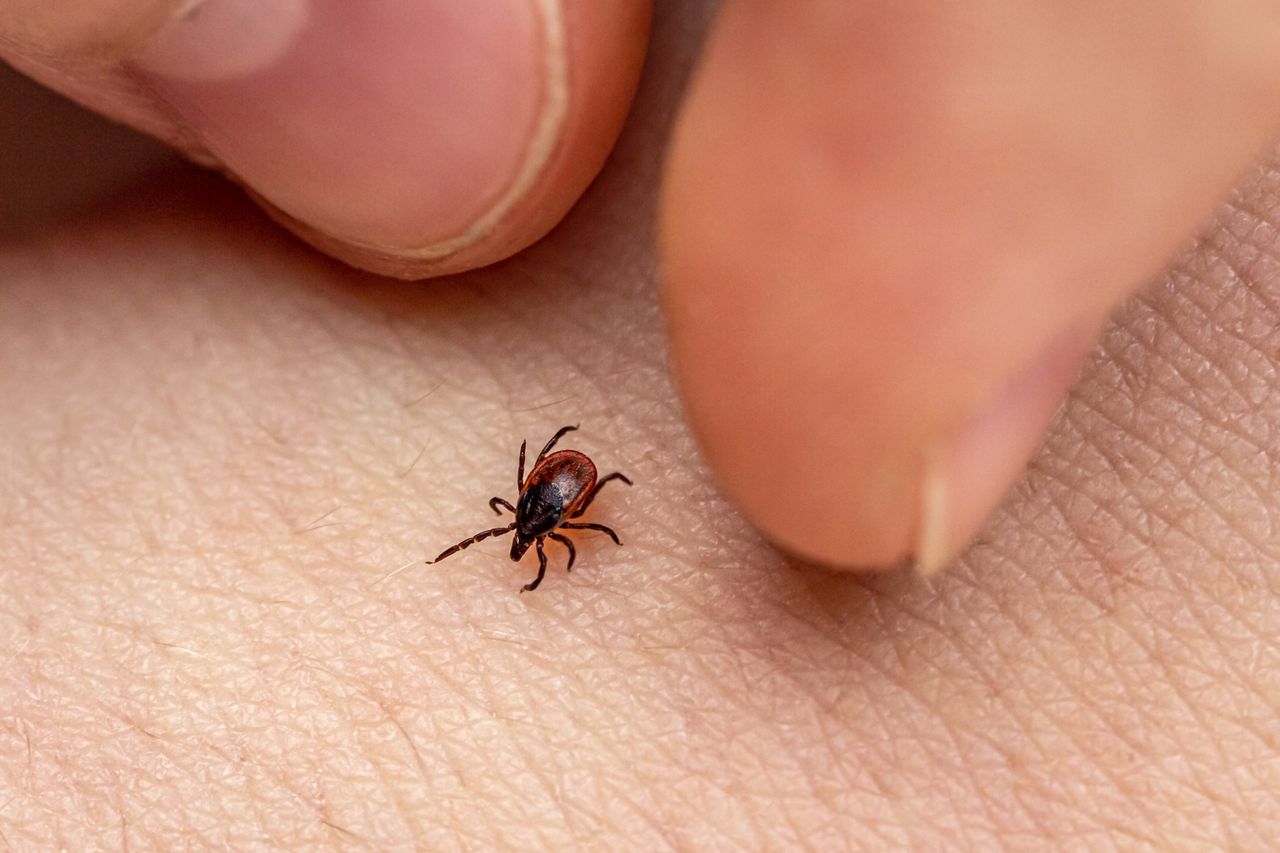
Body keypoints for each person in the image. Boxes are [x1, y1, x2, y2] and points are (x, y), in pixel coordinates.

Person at [1, 2, 1276, 847]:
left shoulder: (555, 505)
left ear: (545, 515)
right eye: (530, 525)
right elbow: (564, 471)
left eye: (536, 523)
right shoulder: (560, 504)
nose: (532, 526)